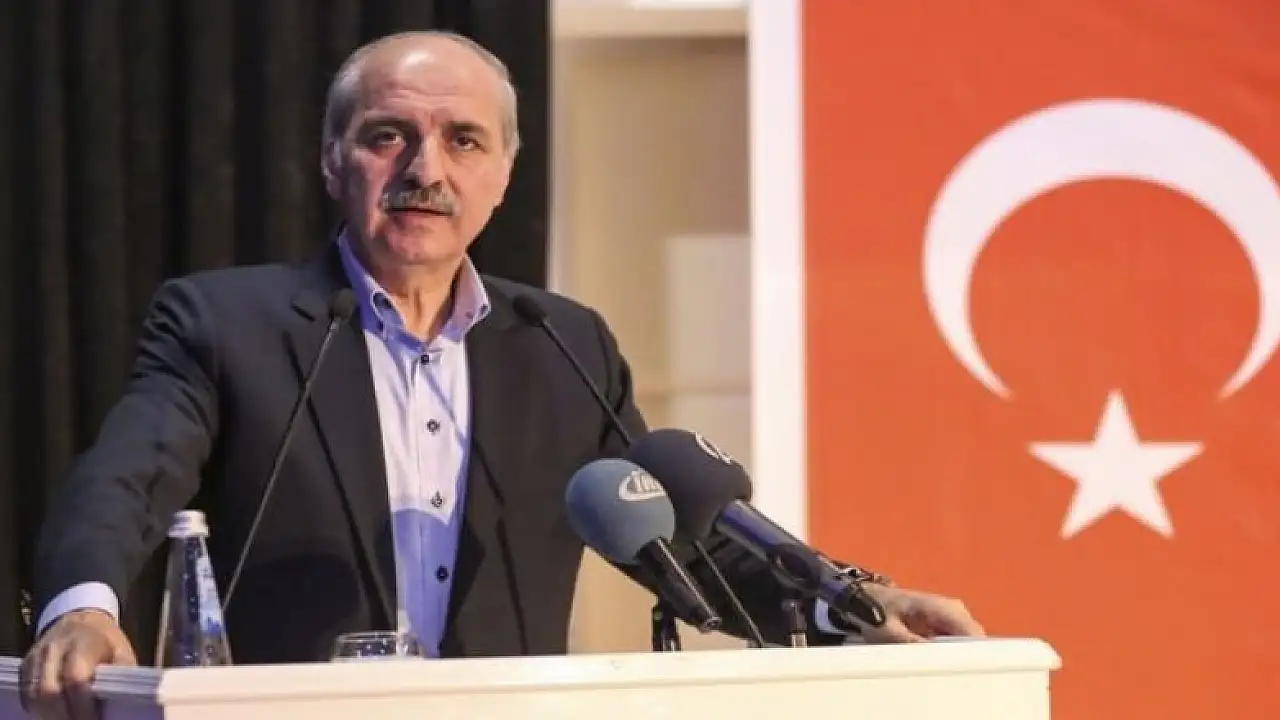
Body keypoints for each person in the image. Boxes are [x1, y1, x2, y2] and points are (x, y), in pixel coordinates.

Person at [19, 30, 985, 719]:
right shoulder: (226, 324)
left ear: (504, 173)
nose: (425, 168)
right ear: (333, 161)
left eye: (464, 139)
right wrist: (85, 609)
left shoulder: (561, 342)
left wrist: (849, 609)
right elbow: (125, 480)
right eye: (388, 135)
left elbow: (673, 541)